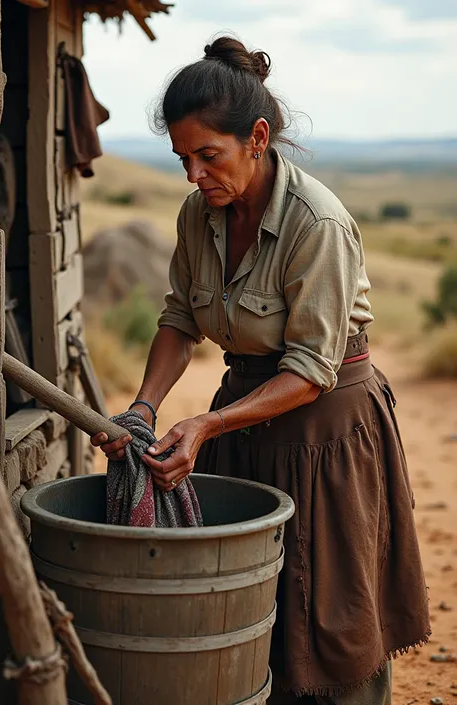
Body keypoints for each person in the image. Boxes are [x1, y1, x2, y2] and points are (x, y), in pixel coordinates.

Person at [91, 36, 430, 704]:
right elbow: (179, 320)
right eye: (182, 158)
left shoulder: (317, 222)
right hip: (246, 420)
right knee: (251, 607)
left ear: (257, 137)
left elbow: (310, 369)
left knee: (334, 611)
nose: (193, 174)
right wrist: (144, 407)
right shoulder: (200, 214)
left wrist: (208, 423)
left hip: (328, 432)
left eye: (207, 155)